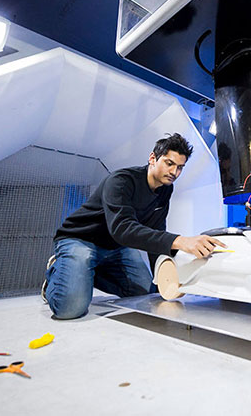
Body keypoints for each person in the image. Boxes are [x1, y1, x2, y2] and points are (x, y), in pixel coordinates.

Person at [42, 133, 226, 319]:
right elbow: (122, 229)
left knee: (148, 295)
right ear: (153, 158)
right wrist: (180, 241)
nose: (174, 172)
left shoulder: (165, 189)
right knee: (71, 310)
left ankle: (84, 272)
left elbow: (156, 231)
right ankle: (56, 275)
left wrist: (164, 275)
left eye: (180, 167)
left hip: (115, 247)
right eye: (169, 163)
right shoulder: (121, 181)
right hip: (80, 240)